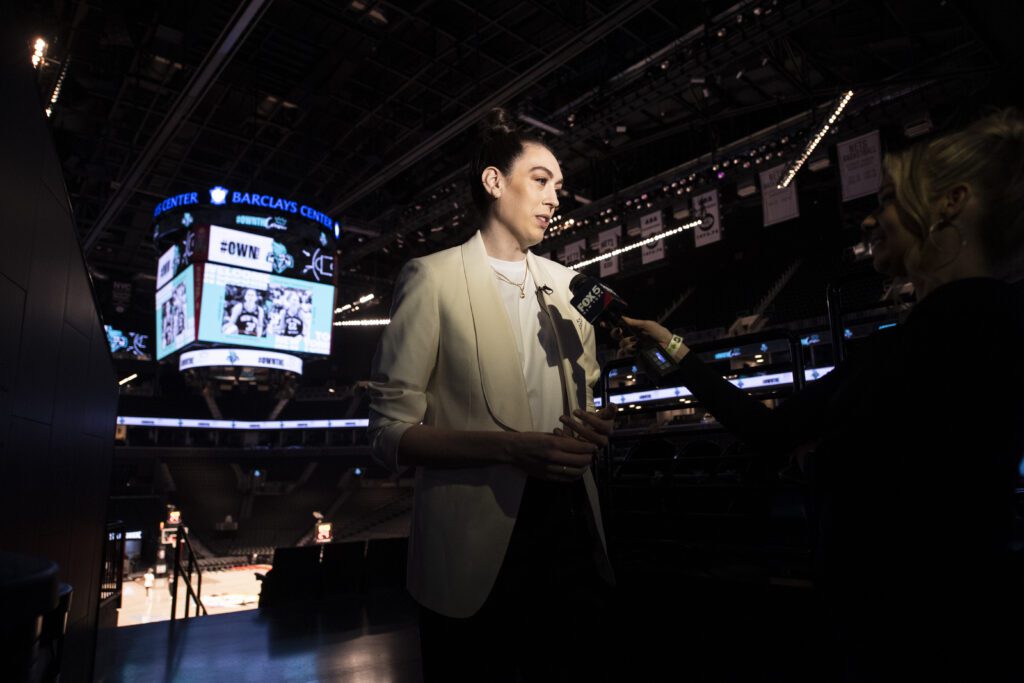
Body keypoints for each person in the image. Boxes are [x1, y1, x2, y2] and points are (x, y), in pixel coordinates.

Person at [619, 109, 1024, 679]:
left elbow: (768, 431)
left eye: (885, 197)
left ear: (950, 203)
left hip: (893, 633)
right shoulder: (995, 325)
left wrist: (677, 351)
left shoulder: (912, 348)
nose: (868, 220)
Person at [368, 108, 616, 682]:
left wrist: (598, 427)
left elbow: (589, 394)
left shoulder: (571, 286)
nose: (556, 196)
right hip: (472, 561)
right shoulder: (431, 279)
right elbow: (387, 435)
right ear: (494, 181)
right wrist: (508, 450)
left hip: (572, 539)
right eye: (542, 179)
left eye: (559, 184)